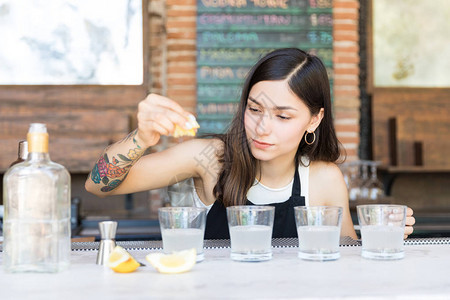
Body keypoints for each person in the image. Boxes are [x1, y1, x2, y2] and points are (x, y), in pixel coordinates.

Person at [85, 48, 415, 240]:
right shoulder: (209, 157)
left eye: (283, 117)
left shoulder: (324, 178)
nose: (262, 127)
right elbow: (98, 186)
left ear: (314, 120)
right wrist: (142, 138)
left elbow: (345, 261)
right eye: (254, 109)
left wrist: (379, 237)